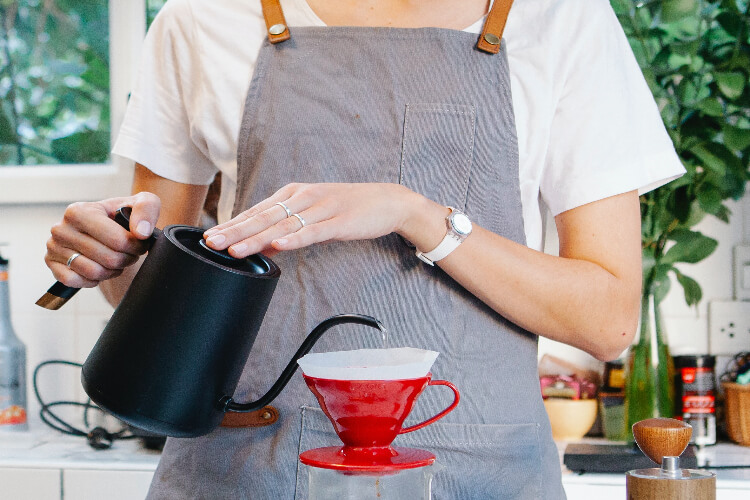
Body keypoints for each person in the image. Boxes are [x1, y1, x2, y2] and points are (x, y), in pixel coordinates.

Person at [44, 0, 685, 498]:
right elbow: (153, 304)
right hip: (242, 473)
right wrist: (112, 256)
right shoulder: (205, 19)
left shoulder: (562, 20)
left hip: (479, 477)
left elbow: (605, 321)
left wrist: (416, 215)